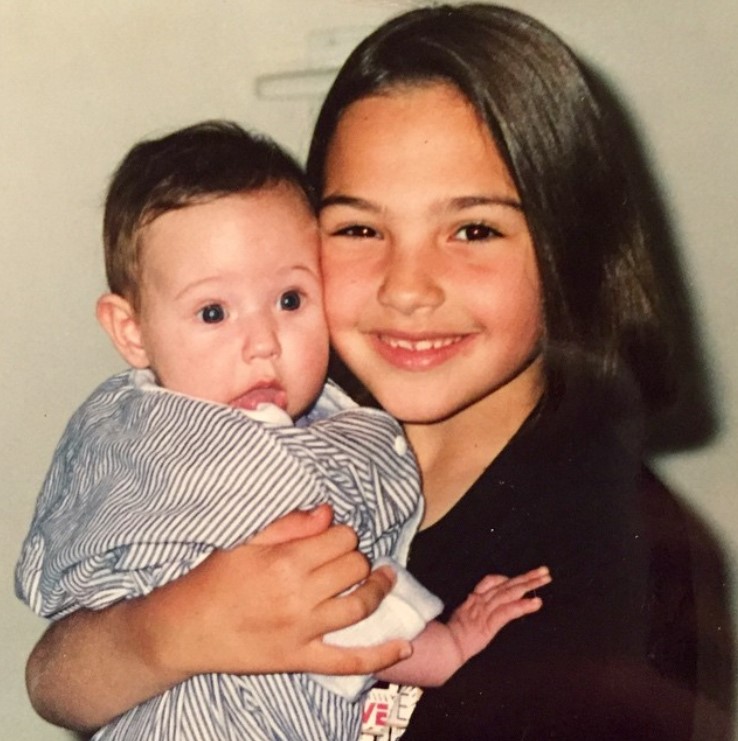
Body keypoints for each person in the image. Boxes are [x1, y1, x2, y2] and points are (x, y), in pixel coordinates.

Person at [24, 4, 700, 739]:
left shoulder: (618, 564)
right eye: (359, 228)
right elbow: (52, 675)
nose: (407, 287)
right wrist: (164, 631)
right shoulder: (281, 420)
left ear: (569, 245)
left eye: (473, 229)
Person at [16, 120, 549, 740]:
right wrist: (450, 645)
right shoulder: (243, 465)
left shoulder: (112, 421)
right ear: (131, 330)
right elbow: (353, 615)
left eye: (291, 300)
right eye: (213, 312)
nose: (263, 344)